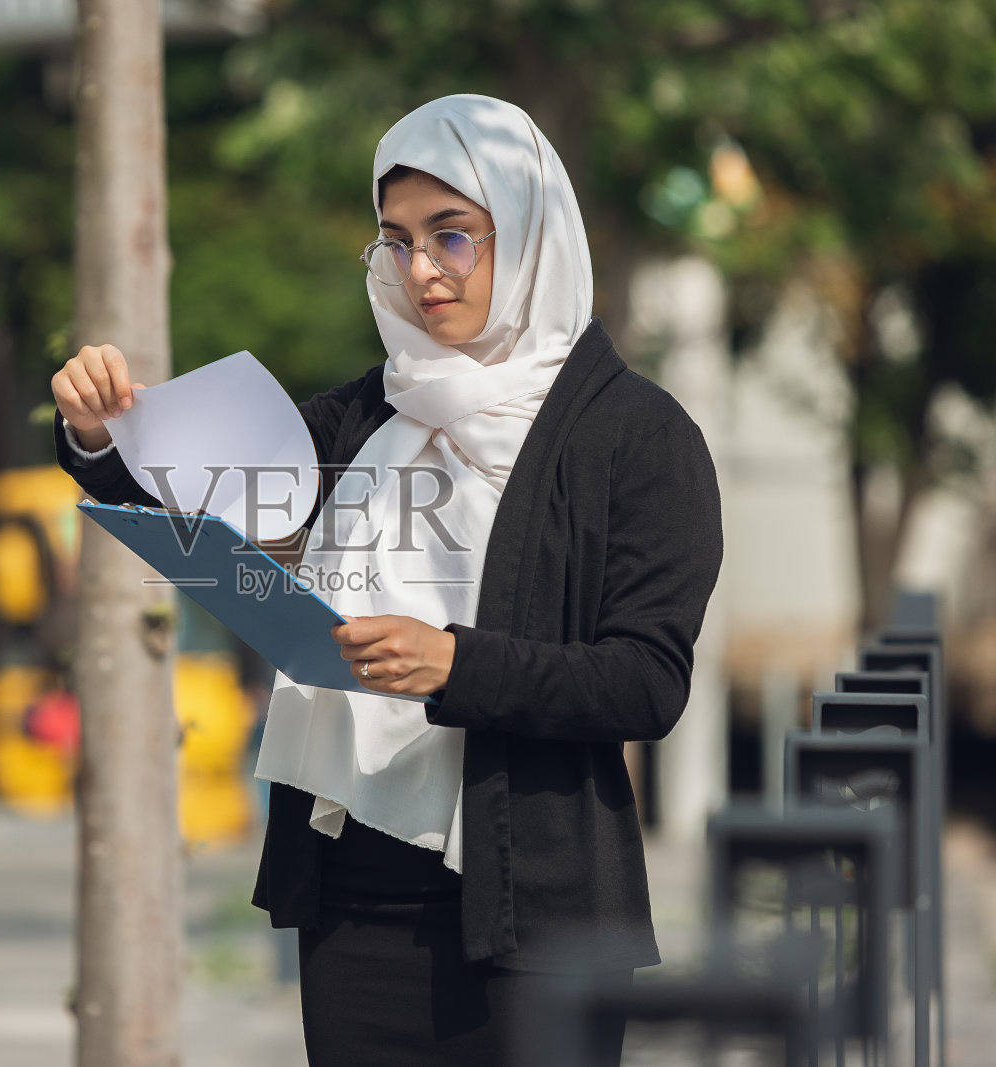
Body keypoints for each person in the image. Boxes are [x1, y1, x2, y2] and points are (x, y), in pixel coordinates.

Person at [51, 95, 721, 1066]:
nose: (421, 271)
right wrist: (101, 433)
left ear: (529, 232)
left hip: (535, 919)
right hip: (353, 902)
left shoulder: (638, 437)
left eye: (452, 236)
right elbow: (200, 505)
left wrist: (453, 662)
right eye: (396, 241)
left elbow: (645, 680)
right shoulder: (370, 412)